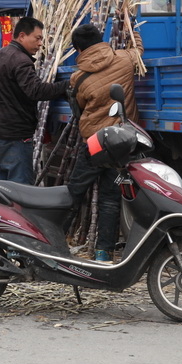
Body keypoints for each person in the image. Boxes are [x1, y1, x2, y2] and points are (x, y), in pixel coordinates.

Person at [66, 24, 145, 262]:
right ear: (101, 40)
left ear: (78, 49)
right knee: (111, 198)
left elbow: (80, 107)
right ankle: (103, 253)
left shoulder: (78, 77)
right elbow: (137, 49)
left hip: (93, 142)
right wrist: (130, 24)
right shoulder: (124, 59)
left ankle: (52, 239)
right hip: (119, 143)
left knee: (74, 192)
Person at [0, 17, 69, 184]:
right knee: (19, 189)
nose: (40, 43)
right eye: (37, 38)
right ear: (22, 36)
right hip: (13, 137)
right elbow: (35, 90)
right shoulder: (20, 60)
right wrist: (66, 85)